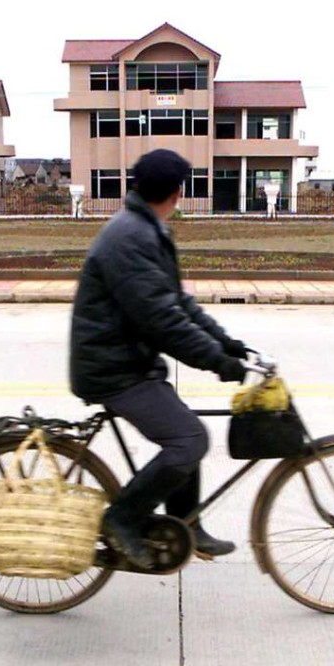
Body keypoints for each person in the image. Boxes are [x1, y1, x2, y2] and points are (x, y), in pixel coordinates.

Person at [69, 149, 249, 569]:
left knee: (185, 431)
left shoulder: (147, 229)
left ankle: (187, 525)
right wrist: (219, 362)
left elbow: (178, 305)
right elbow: (162, 322)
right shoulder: (131, 237)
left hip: (129, 361)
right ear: (177, 191)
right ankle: (122, 519)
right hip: (112, 369)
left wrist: (227, 344)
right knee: (189, 439)